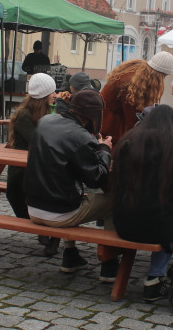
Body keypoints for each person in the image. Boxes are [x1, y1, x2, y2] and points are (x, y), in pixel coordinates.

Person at [111, 105, 173, 301]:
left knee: (167, 215)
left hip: (124, 224)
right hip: (159, 227)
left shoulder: (128, 140)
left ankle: (156, 277)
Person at [24, 90, 112, 276]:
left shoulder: (45, 121)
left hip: (32, 207)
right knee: (115, 201)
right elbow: (97, 179)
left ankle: (71, 255)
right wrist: (105, 150)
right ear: (95, 115)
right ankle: (109, 265)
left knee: (72, 192)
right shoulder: (82, 137)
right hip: (60, 214)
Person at [6, 74, 58, 253]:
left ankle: (50, 231)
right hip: (22, 168)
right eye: (52, 92)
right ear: (43, 95)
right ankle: (39, 227)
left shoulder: (50, 110)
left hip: (40, 165)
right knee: (17, 193)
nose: (55, 95)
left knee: (52, 190)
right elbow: (38, 141)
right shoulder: (24, 115)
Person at [100, 51, 173, 145]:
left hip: (110, 117)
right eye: (164, 76)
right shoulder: (132, 84)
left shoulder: (140, 70)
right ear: (159, 75)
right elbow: (134, 120)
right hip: (109, 123)